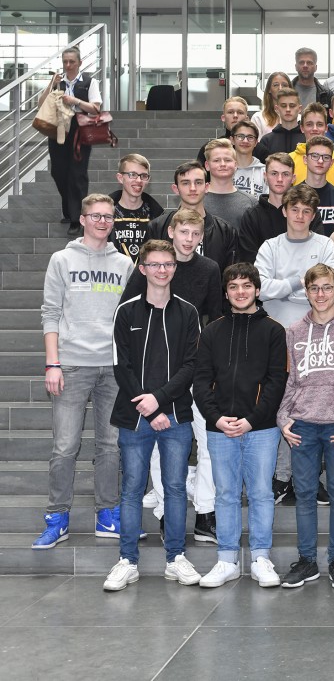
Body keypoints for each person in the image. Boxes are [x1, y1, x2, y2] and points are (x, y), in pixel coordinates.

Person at [34, 194, 134, 550]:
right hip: (72, 365)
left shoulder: (124, 264)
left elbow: (129, 318)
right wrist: (52, 362)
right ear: (82, 218)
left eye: (108, 217)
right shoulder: (61, 259)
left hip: (112, 368)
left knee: (110, 446)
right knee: (65, 447)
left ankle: (107, 514)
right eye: (96, 216)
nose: (103, 222)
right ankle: (57, 517)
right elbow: (49, 313)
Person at [103, 239, 201, 591]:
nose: (162, 270)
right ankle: (127, 561)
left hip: (175, 416)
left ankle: (175, 558)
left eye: (168, 264)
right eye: (155, 265)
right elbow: (121, 366)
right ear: (142, 269)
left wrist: (158, 402)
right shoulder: (126, 311)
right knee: (131, 490)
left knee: (175, 489)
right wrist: (145, 406)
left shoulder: (187, 312)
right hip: (135, 417)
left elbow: (191, 366)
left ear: (175, 268)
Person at [121, 209, 224, 538]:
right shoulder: (155, 265)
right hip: (158, 373)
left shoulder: (209, 268)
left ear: (202, 236)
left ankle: (205, 512)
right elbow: (128, 312)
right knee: (158, 443)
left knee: (208, 441)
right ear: (171, 232)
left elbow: (217, 319)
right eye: (184, 233)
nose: (189, 239)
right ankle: (167, 511)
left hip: (198, 367)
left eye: (196, 234)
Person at [193, 262, 288, 587]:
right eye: (233, 286)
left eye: (246, 285)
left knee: (261, 493)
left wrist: (251, 420)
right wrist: (216, 417)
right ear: (226, 292)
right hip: (219, 428)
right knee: (226, 494)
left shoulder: (273, 331)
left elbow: (277, 382)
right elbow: (201, 380)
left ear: (257, 290)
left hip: (261, 429)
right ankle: (227, 560)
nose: (240, 291)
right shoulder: (212, 331)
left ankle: (261, 557)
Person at [277, 263, 334, 589]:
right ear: (307, 291)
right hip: (302, 424)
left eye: (327, 287)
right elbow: (288, 381)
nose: (320, 294)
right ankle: (306, 561)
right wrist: (283, 418)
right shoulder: (294, 332)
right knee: (304, 495)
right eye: (314, 288)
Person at [255, 183, 334, 328]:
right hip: (276, 328)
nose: (300, 216)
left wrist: (282, 292)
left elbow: (327, 290)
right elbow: (260, 290)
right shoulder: (270, 247)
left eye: (306, 211)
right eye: (295, 210)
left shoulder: (326, 245)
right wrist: (298, 283)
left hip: (316, 327)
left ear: (313, 216)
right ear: (284, 211)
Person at [39, 46, 102, 236]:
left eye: (71, 61)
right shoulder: (58, 82)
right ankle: (69, 208)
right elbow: (41, 104)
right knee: (58, 172)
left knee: (77, 174)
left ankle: (77, 219)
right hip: (59, 128)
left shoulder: (89, 82)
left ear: (80, 63)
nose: (68, 65)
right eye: (65, 61)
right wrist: (52, 83)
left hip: (80, 129)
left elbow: (96, 109)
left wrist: (75, 101)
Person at [144, 161, 238, 274]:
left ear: (207, 187)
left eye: (198, 182)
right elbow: (147, 271)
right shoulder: (157, 227)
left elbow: (230, 278)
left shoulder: (226, 231)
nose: (193, 188)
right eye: (185, 183)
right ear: (175, 189)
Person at [237, 153, 297, 263]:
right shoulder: (251, 217)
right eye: (274, 173)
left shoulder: (304, 213)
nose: (279, 179)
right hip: (262, 278)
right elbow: (248, 258)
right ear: (265, 176)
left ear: (293, 178)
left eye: (285, 174)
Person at [109, 154, 164, 261]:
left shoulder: (158, 218)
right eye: (132, 174)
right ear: (120, 178)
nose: (139, 180)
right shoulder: (104, 215)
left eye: (143, 176)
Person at [291, 102, 334, 190]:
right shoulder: (291, 160)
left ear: (326, 128)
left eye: (319, 124)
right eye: (309, 124)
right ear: (302, 128)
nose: (315, 129)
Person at [202, 139, 257, 229]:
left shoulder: (250, 202)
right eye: (216, 160)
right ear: (207, 165)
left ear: (235, 165)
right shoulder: (196, 200)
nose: (223, 164)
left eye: (227, 160)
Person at [299, 135, 334, 236]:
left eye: (326, 157)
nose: (320, 161)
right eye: (315, 156)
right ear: (305, 159)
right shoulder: (293, 196)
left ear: (331, 163)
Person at [252, 89, 304, 161]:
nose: (288, 109)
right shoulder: (266, 140)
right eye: (283, 106)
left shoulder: (307, 138)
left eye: (292, 106)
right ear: (276, 109)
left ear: (299, 109)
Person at [251, 71, 293, 138]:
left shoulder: (299, 119)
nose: (280, 88)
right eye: (276, 85)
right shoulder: (258, 118)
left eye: (284, 85)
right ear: (269, 90)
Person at [231, 120, 267, 198]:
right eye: (240, 136)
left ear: (256, 142)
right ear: (232, 140)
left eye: (250, 137)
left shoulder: (265, 172)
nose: (245, 141)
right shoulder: (224, 170)